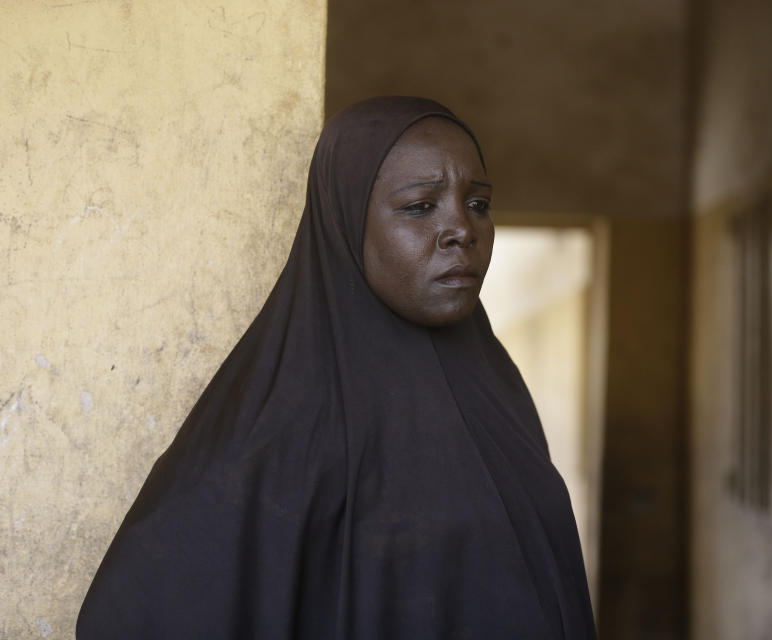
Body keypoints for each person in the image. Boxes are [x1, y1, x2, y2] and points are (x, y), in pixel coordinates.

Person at [77, 96, 597, 639]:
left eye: (479, 205)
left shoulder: (499, 394)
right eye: (421, 207)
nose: (461, 230)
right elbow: (137, 612)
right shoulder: (281, 423)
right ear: (345, 220)